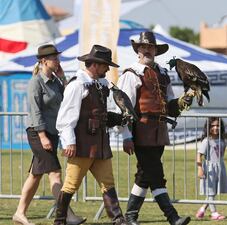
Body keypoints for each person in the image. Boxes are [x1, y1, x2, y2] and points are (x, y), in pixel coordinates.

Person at [117, 31, 193, 225]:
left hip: (159, 131)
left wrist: (184, 99)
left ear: (155, 50)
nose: (148, 50)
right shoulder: (131, 74)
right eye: (144, 47)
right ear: (138, 50)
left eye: (151, 47)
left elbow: (169, 105)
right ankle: (172, 217)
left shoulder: (162, 73)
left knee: (145, 175)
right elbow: (123, 107)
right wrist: (126, 136)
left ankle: (130, 217)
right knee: (156, 174)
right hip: (140, 130)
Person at [54, 45, 128, 225]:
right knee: (71, 184)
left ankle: (118, 219)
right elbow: (65, 118)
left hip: (100, 143)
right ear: (95, 65)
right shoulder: (77, 85)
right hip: (82, 144)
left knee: (108, 182)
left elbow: (99, 114)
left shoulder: (100, 85)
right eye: (105, 65)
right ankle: (59, 221)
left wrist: (119, 118)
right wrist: (69, 142)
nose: (108, 69)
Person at [13, 44, 85, 225]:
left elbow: (69, 97)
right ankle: (67, 215)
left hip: (52, 133)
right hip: (38, 133)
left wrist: (62, 78)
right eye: (54, 58)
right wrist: (43, 137)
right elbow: (35, 111)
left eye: (57, 57)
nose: (58, 61)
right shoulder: (35, 82)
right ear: (44, 61)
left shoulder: (55, 81)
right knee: (55, 173)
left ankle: (19, 214)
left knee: (35, 175)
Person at [195, 117, 227, 221]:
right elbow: (199, 155)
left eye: (218, 125)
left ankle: (202, 210)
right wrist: (200, 168)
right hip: (209, 169)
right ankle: (214, 213)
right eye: (213, 126)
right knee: (210, 192)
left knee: (212, 193)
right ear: (208, 127)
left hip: (219, 168)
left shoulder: (223, 141)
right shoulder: (206, 141)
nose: (216, 128)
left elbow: (221, 154)